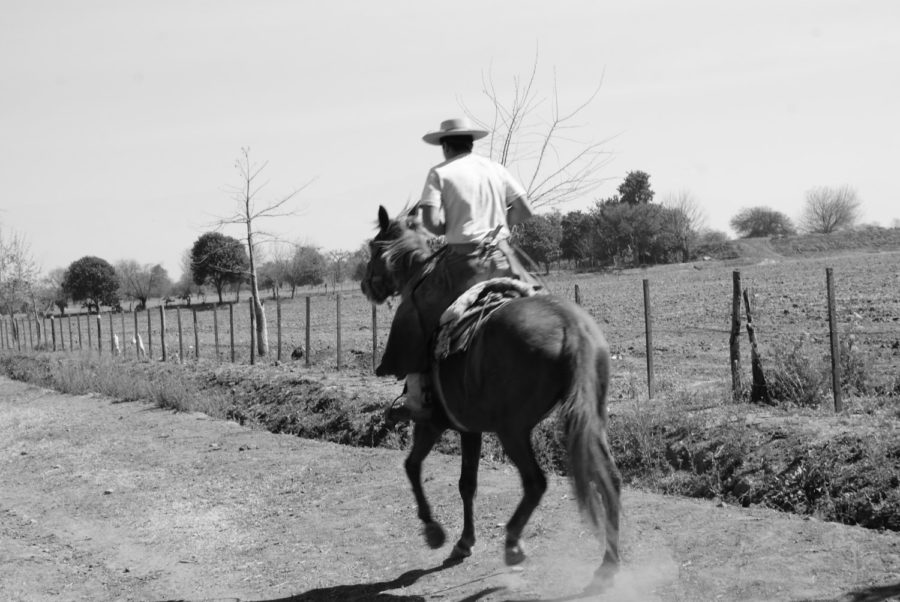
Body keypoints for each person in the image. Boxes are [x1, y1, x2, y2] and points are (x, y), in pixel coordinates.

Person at [378, 117, 536, 421]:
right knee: (539, 298)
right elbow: (524, 210)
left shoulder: (440, 172)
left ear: (445, 147)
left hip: (464, 264)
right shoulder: (495, 169)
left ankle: (415, 397)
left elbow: (431, 223)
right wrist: (498, 226)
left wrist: (456, 226)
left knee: (411, 313)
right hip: (504, 257)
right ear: (471, 143)